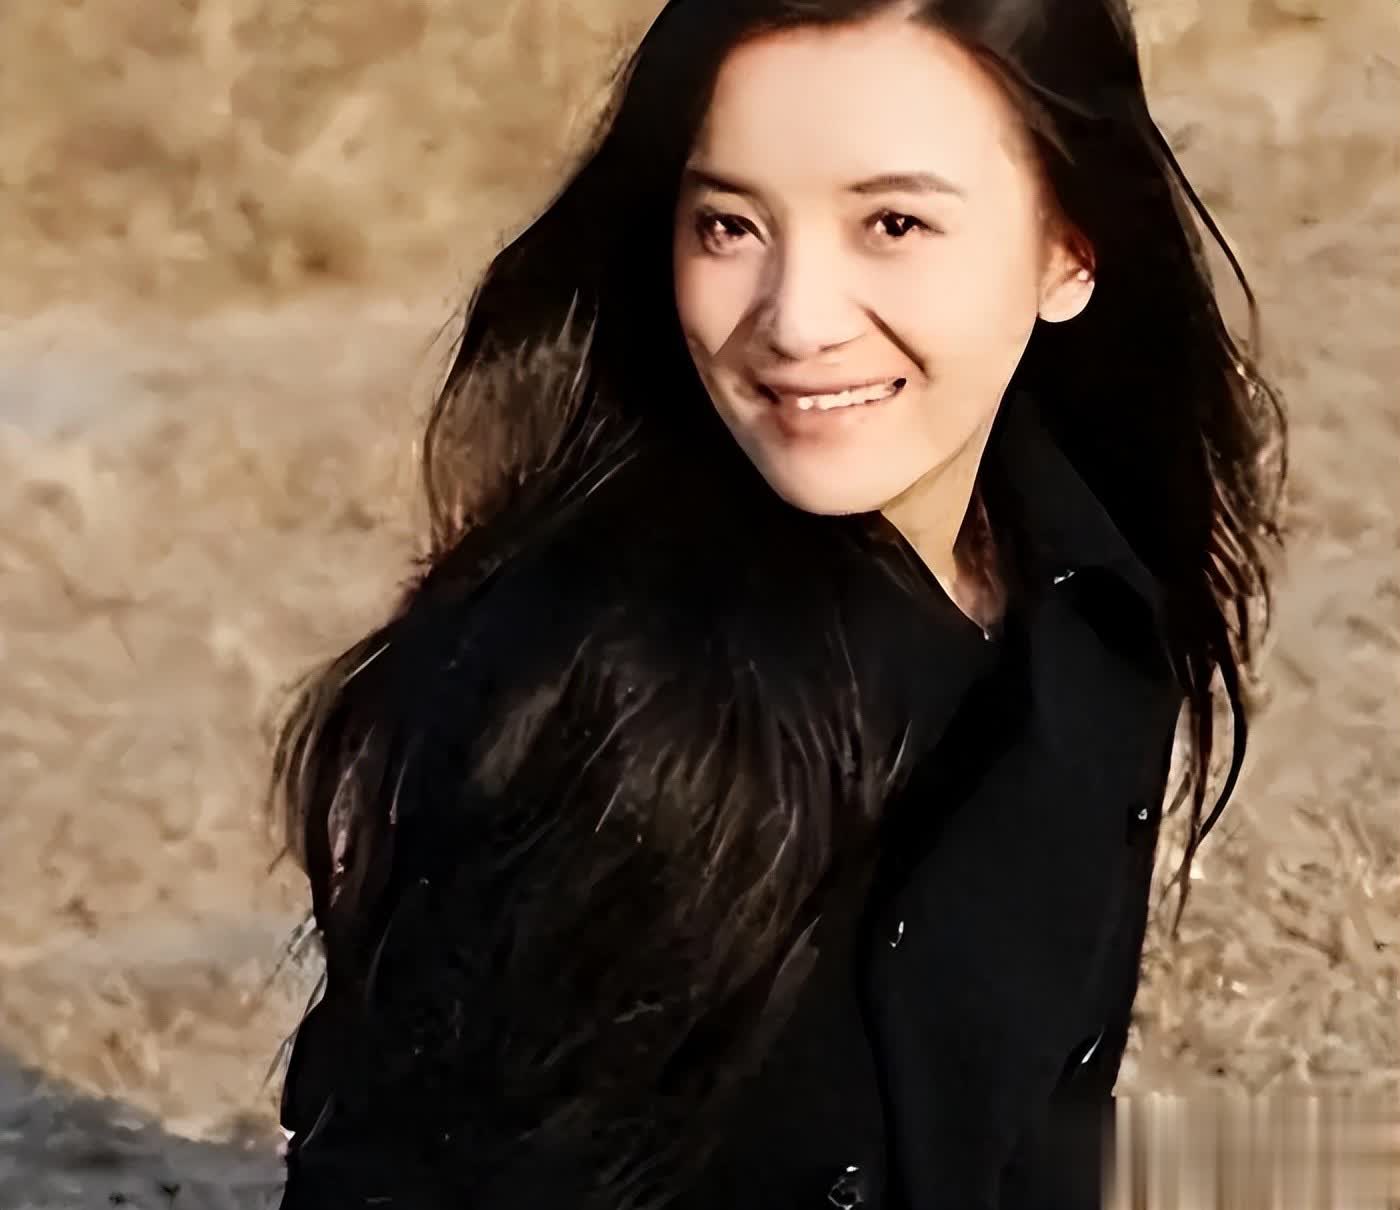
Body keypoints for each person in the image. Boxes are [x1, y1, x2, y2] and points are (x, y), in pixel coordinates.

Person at [268, 0, 1287, 1206]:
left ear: (1068, 247)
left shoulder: (1090, 596)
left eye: (892, 223)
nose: (794, 320)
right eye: (728, 225)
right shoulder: (595, 679)